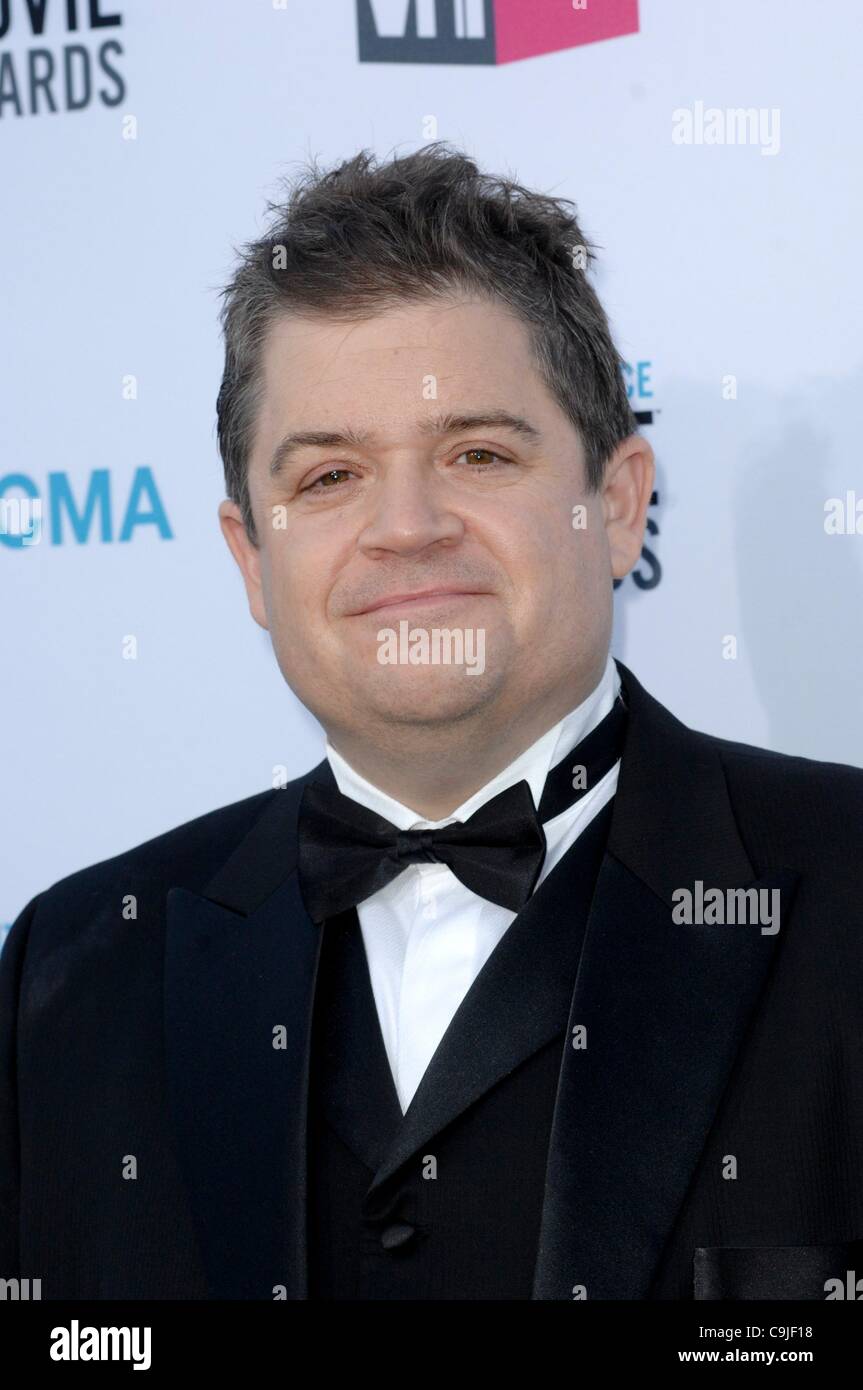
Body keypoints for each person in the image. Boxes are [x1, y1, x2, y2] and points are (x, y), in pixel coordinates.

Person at [2, 144, 862, 1302]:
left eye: (476, 453)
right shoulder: (75, 967)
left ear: (614, 506)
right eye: (327, 477)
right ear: (250, 558)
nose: (405, 527)